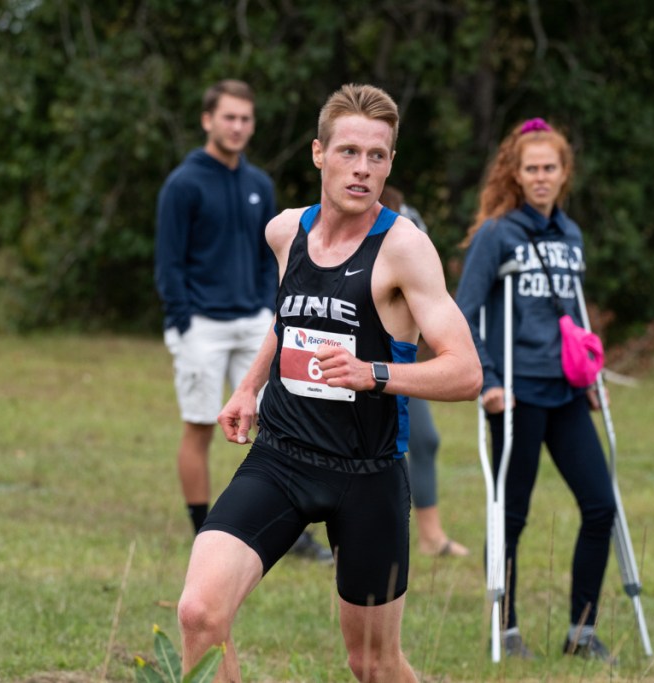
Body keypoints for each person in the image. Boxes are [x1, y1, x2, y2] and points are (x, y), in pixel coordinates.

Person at [176, 84, 482, 682]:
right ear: (319, 153)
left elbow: (466, 370)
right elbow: (290, 313)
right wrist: (248, 387)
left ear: (390, 163)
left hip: (366, 474)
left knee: (372, 664)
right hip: (281, 458)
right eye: (348, 152)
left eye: (377, 155)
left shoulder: (405, 250)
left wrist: (376, 375)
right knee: (198, 613)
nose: (362, 168)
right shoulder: (285, 231)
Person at [454, 117, 618, 663]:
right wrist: (489, 381)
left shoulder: (570, 235)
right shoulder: (497, 234)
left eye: (550, 168)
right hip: (517, 395)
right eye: (532, 169)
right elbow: (464, 313)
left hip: (567, 392)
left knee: (601, 506)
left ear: (564, 172)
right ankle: (507, 628)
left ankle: (582, 632)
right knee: (512, 515)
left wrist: (591, 376)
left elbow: (573, 313)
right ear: (516, 174)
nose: (542, 177)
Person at [155, 79, 331, 562]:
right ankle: (203, 528)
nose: (237, 127)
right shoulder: (184, 183)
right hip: (201, 327)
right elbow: (169, 262)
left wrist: (266, 305)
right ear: (207, 120)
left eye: (245, 118)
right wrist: (184, 319)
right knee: (201, 426)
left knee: (280, 421)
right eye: (228, 117)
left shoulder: (258, 184)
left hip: (255, 320)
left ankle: (290, 530)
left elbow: (266, 254)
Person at [378, 185, 468, 558]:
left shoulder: (409, 217)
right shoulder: (327, 217)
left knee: (424, 439)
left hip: (398, 360)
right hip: (343, 360)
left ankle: (431, 535)